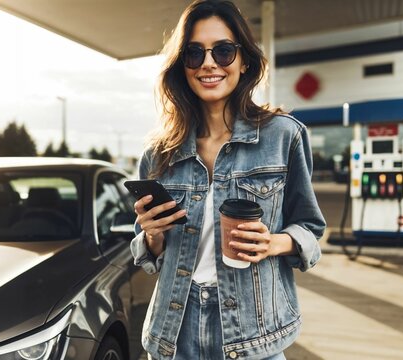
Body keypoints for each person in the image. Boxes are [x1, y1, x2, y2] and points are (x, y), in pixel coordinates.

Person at [130, 1, 326, 359]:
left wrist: (274, 243)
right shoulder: (159, 153)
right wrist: (153, 235)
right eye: (194, 53)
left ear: (244, 60)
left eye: (223, 51)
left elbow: (310, 228)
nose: (208, 63)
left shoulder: (284, 136)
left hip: (253, 334)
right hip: (173, 333)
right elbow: (152, 255)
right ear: (182, 67)